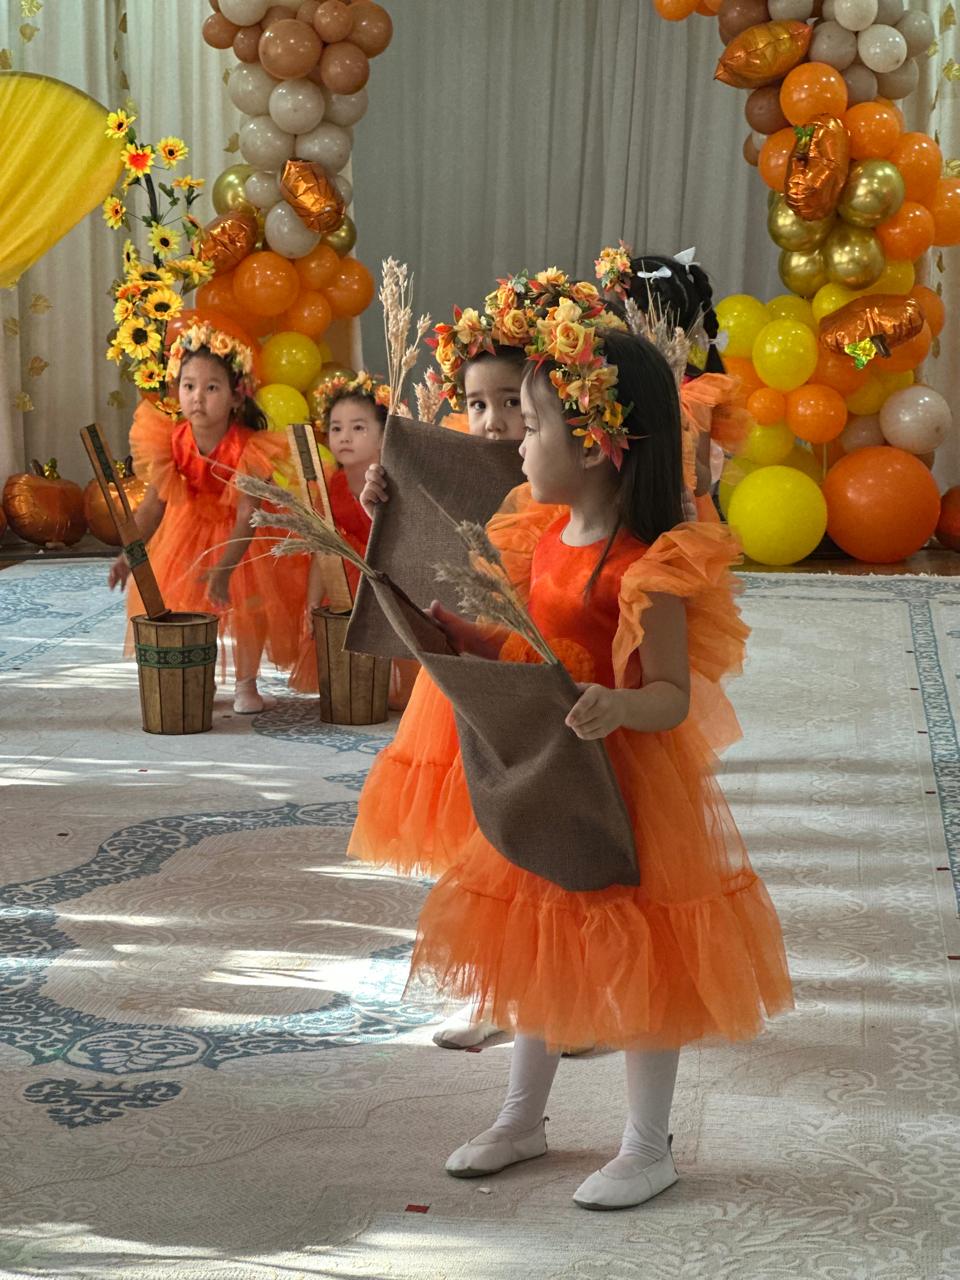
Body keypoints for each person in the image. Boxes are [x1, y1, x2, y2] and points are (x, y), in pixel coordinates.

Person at [379, 309, 793, 1210]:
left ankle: (648, 1145)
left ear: (599, 446)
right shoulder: (541, 538)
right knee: (539, 938)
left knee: (648, 953)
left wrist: (619, 704)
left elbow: (672, 695)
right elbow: (521, 644)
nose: (518, 444)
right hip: (552, 774)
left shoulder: (647, 567)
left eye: (532, 426)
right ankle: (522, 1117)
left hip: (626, 782)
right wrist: (450, 631)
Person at [107, 321, 299, 713]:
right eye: (189, 386)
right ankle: (201, 676)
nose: (198, 397)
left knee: (251, 606)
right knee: (184, 601)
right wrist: (130, 553)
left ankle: (246, 684)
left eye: (211, 388)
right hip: (190, 527)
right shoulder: (172, 441)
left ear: (236, 397)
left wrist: (225, 568)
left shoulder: (249, 448)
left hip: (243, 536)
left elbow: (248, 516)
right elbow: (153, 507)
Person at [595, 244, 747, 522]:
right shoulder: (605, 375)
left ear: (645, 322)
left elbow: (702, 482)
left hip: (670, 513)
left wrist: (674, 439)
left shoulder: (695, 391)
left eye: (619, 314)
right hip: (609, 506)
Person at [289, 373, 388, 693]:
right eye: (336, 428)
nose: (345, 437)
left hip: (386, 582)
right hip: (344, 584)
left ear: (383, 436)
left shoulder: (392, 481)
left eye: (358, 428)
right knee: (347, 682)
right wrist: (312, 603)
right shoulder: (330, 486)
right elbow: (323, 551)